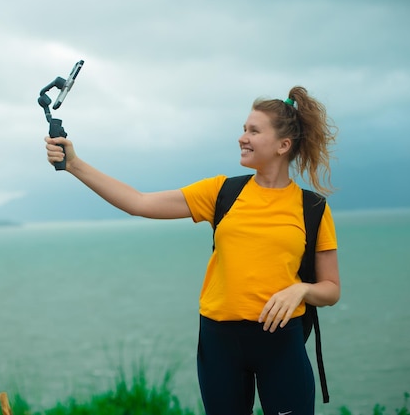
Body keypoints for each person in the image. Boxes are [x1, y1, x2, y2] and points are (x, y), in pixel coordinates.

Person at [44, 86, 340, 415]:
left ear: (283, 145)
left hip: (281, 342)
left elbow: (330, 290)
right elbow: (138, 203)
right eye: (243, 129)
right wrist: (74, 164)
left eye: (254, 131)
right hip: (220, 342)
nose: (243, 137)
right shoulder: (222, 192)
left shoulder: (311, 207)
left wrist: (300, 290)